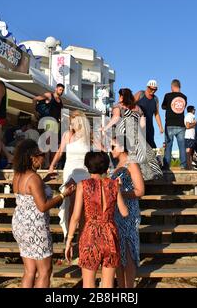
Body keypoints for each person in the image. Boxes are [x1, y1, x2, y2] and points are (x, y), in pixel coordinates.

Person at [12, 139, 76, 288]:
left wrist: (44, 180)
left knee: (29, 270)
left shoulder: (18, 175)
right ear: (32, 157)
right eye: (41, 155)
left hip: (20, 225)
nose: (43, 158)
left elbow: (28, 192)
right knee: (45, 271)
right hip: (35, 228)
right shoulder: (33, 178)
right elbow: (42, 206)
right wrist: (63, 195)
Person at [65, 152, 128, 289]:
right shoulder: (114, 185)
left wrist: (69, 240)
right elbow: (124, 212)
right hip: (110, 235)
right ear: (106, 167)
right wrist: (119, 189)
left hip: (90, 236)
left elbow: (75, 216)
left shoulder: (83, 185)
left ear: (88, 167)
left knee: (88, 284)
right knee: (108, 285)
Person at [102, 88, 163, 181]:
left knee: (125, 157)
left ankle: (128, 179)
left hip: (124, 135)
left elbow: (116, 117)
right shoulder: (137, 108)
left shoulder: (118, 106)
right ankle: (145, 177)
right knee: (142, 156)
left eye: (119, 96)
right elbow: (143, 124)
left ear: (121, 96)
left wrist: (105, 128)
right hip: (137, 134)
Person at [48, 110, 91, 238]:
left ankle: (82, 236)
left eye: (74, 120)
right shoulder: (67, 135)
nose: (72, 123)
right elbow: (60, 151)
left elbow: (102, 150)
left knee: (83, 205)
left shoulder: (89, 135)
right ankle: (69, 235)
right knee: (68, 204)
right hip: (70, 171)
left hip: (84, 171)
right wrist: (52, 165)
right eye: (71, 120)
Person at [110, 139, 145, 289]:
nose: (110, 149)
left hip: (129, 212)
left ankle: (129, 288)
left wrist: (120, 193)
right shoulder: (115, 165)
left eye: (113, 146)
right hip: (115, 212)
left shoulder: (131, 163)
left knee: (129, 251)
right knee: (118, 251)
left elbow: (140, 190)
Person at [33, 84, 65, 160]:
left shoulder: (60, 101)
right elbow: (35, 99)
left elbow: (60, 113)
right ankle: (47, 161)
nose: (61, 91)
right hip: (48, 120)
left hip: (56, 122)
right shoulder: (49, 95)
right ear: (56, 89)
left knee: (53, 143)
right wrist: (34, 111)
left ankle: (51, 162)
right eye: (60, 89)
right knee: (48, 140)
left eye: (62, 90)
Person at [162, 79, 188, 170]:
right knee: (182, 147)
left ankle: (166, 167)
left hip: (169, 124)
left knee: (168, 147)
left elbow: (163, 106)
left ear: (172, 86)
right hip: (181, 125)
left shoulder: (167, 95)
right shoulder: (184, 97)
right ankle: (183, 166)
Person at [134, 80, 164, 149]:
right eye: (151, 89)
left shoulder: (155, 99)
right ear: (147, 87)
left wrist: (160, 127)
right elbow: (130, 105)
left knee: (151, 147)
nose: (153, 91)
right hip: (138, 124)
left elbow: (156, 114)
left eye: (155, 89)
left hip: (149, 127)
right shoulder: (140, 94)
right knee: (139, 146)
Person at [184, 106, 197, 170]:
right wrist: (194, 124)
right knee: (188, 151)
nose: (195, 111)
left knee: (190, 151)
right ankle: (188, 166)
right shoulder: (190, 115)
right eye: (194, 109)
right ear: (192, 110)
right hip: (189, 136)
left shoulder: (188, 115)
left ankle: (189, 165)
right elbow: (187, 126)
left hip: (190, 136)